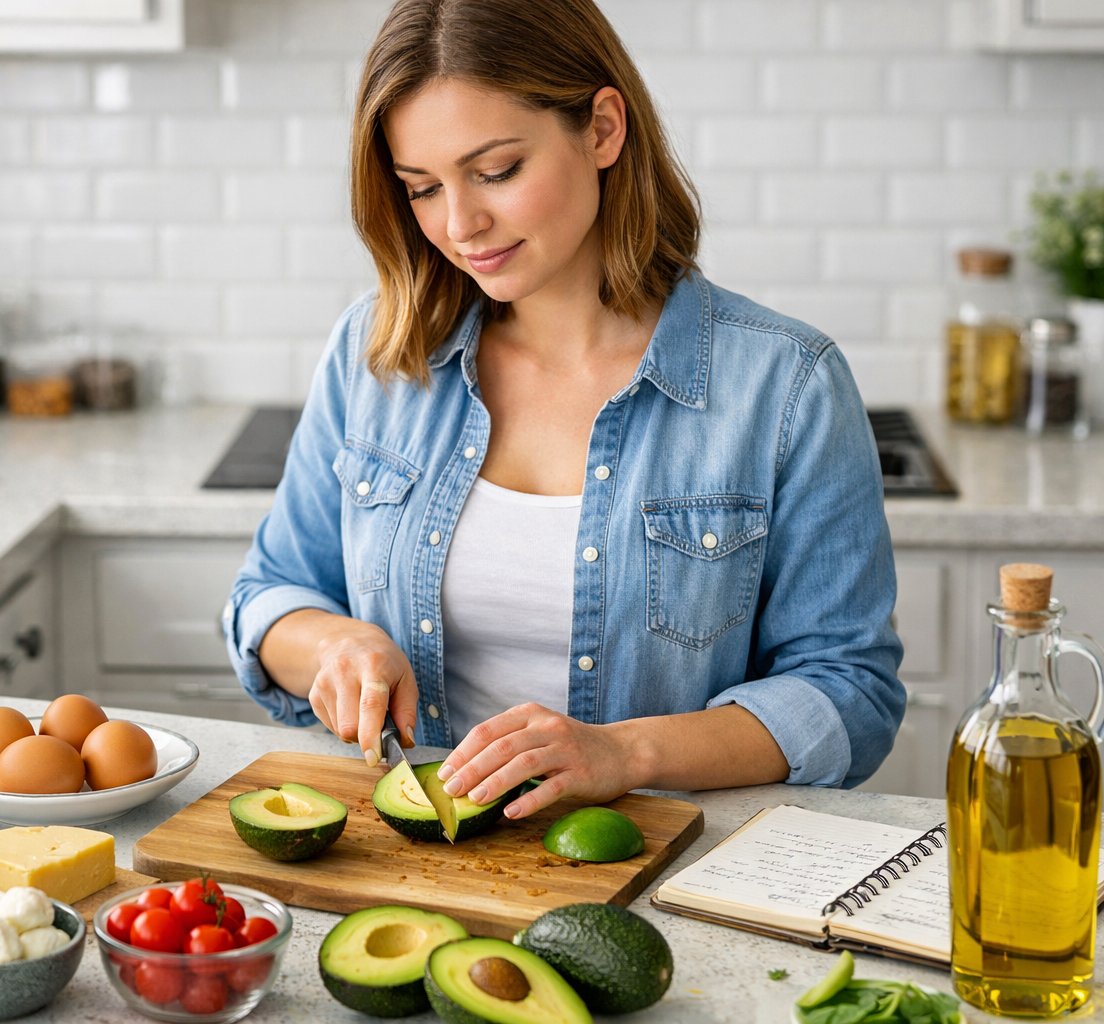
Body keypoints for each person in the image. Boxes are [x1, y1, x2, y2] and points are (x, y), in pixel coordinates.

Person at [222, 0, 904, 821]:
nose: (460, 224)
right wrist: (334, 643)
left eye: (497, 171)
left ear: (603, 128)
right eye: (422, 188)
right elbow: (270, 595)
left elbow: (849, 694)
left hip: (652, 869)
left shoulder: (786, 384)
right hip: (403, 861)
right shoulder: (377, 356)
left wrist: (624, 752)